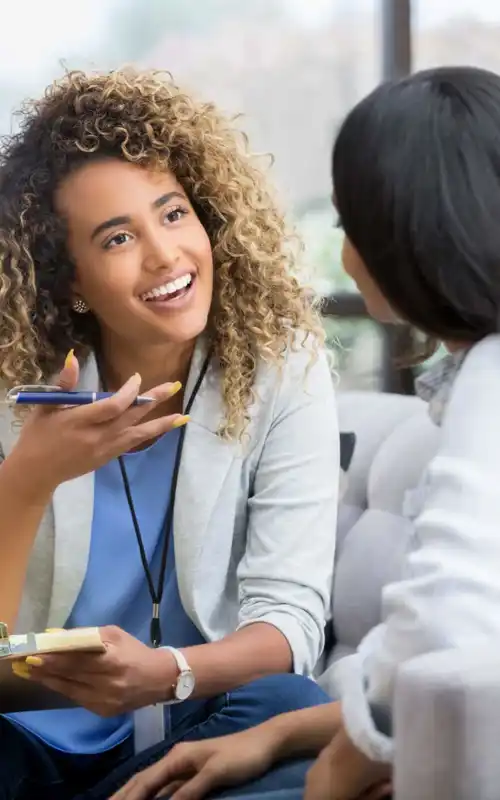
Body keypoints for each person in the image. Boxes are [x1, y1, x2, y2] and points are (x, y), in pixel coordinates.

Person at [112, 64, 500, 799]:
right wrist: (278, 739)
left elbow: (440, 628)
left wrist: (337, 772)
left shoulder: (490, 384)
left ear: (409, 237)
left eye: (351, 224)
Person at [0, 68, 340, 799]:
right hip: (27, 746)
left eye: (174, 214)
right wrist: (26, 481)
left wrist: (167, 673)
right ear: (70, 282)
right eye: (118, 237)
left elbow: (290, 624)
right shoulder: (16, 394)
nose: (165, 257)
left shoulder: (283, 370)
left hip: (195, 731)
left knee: (294, 707)